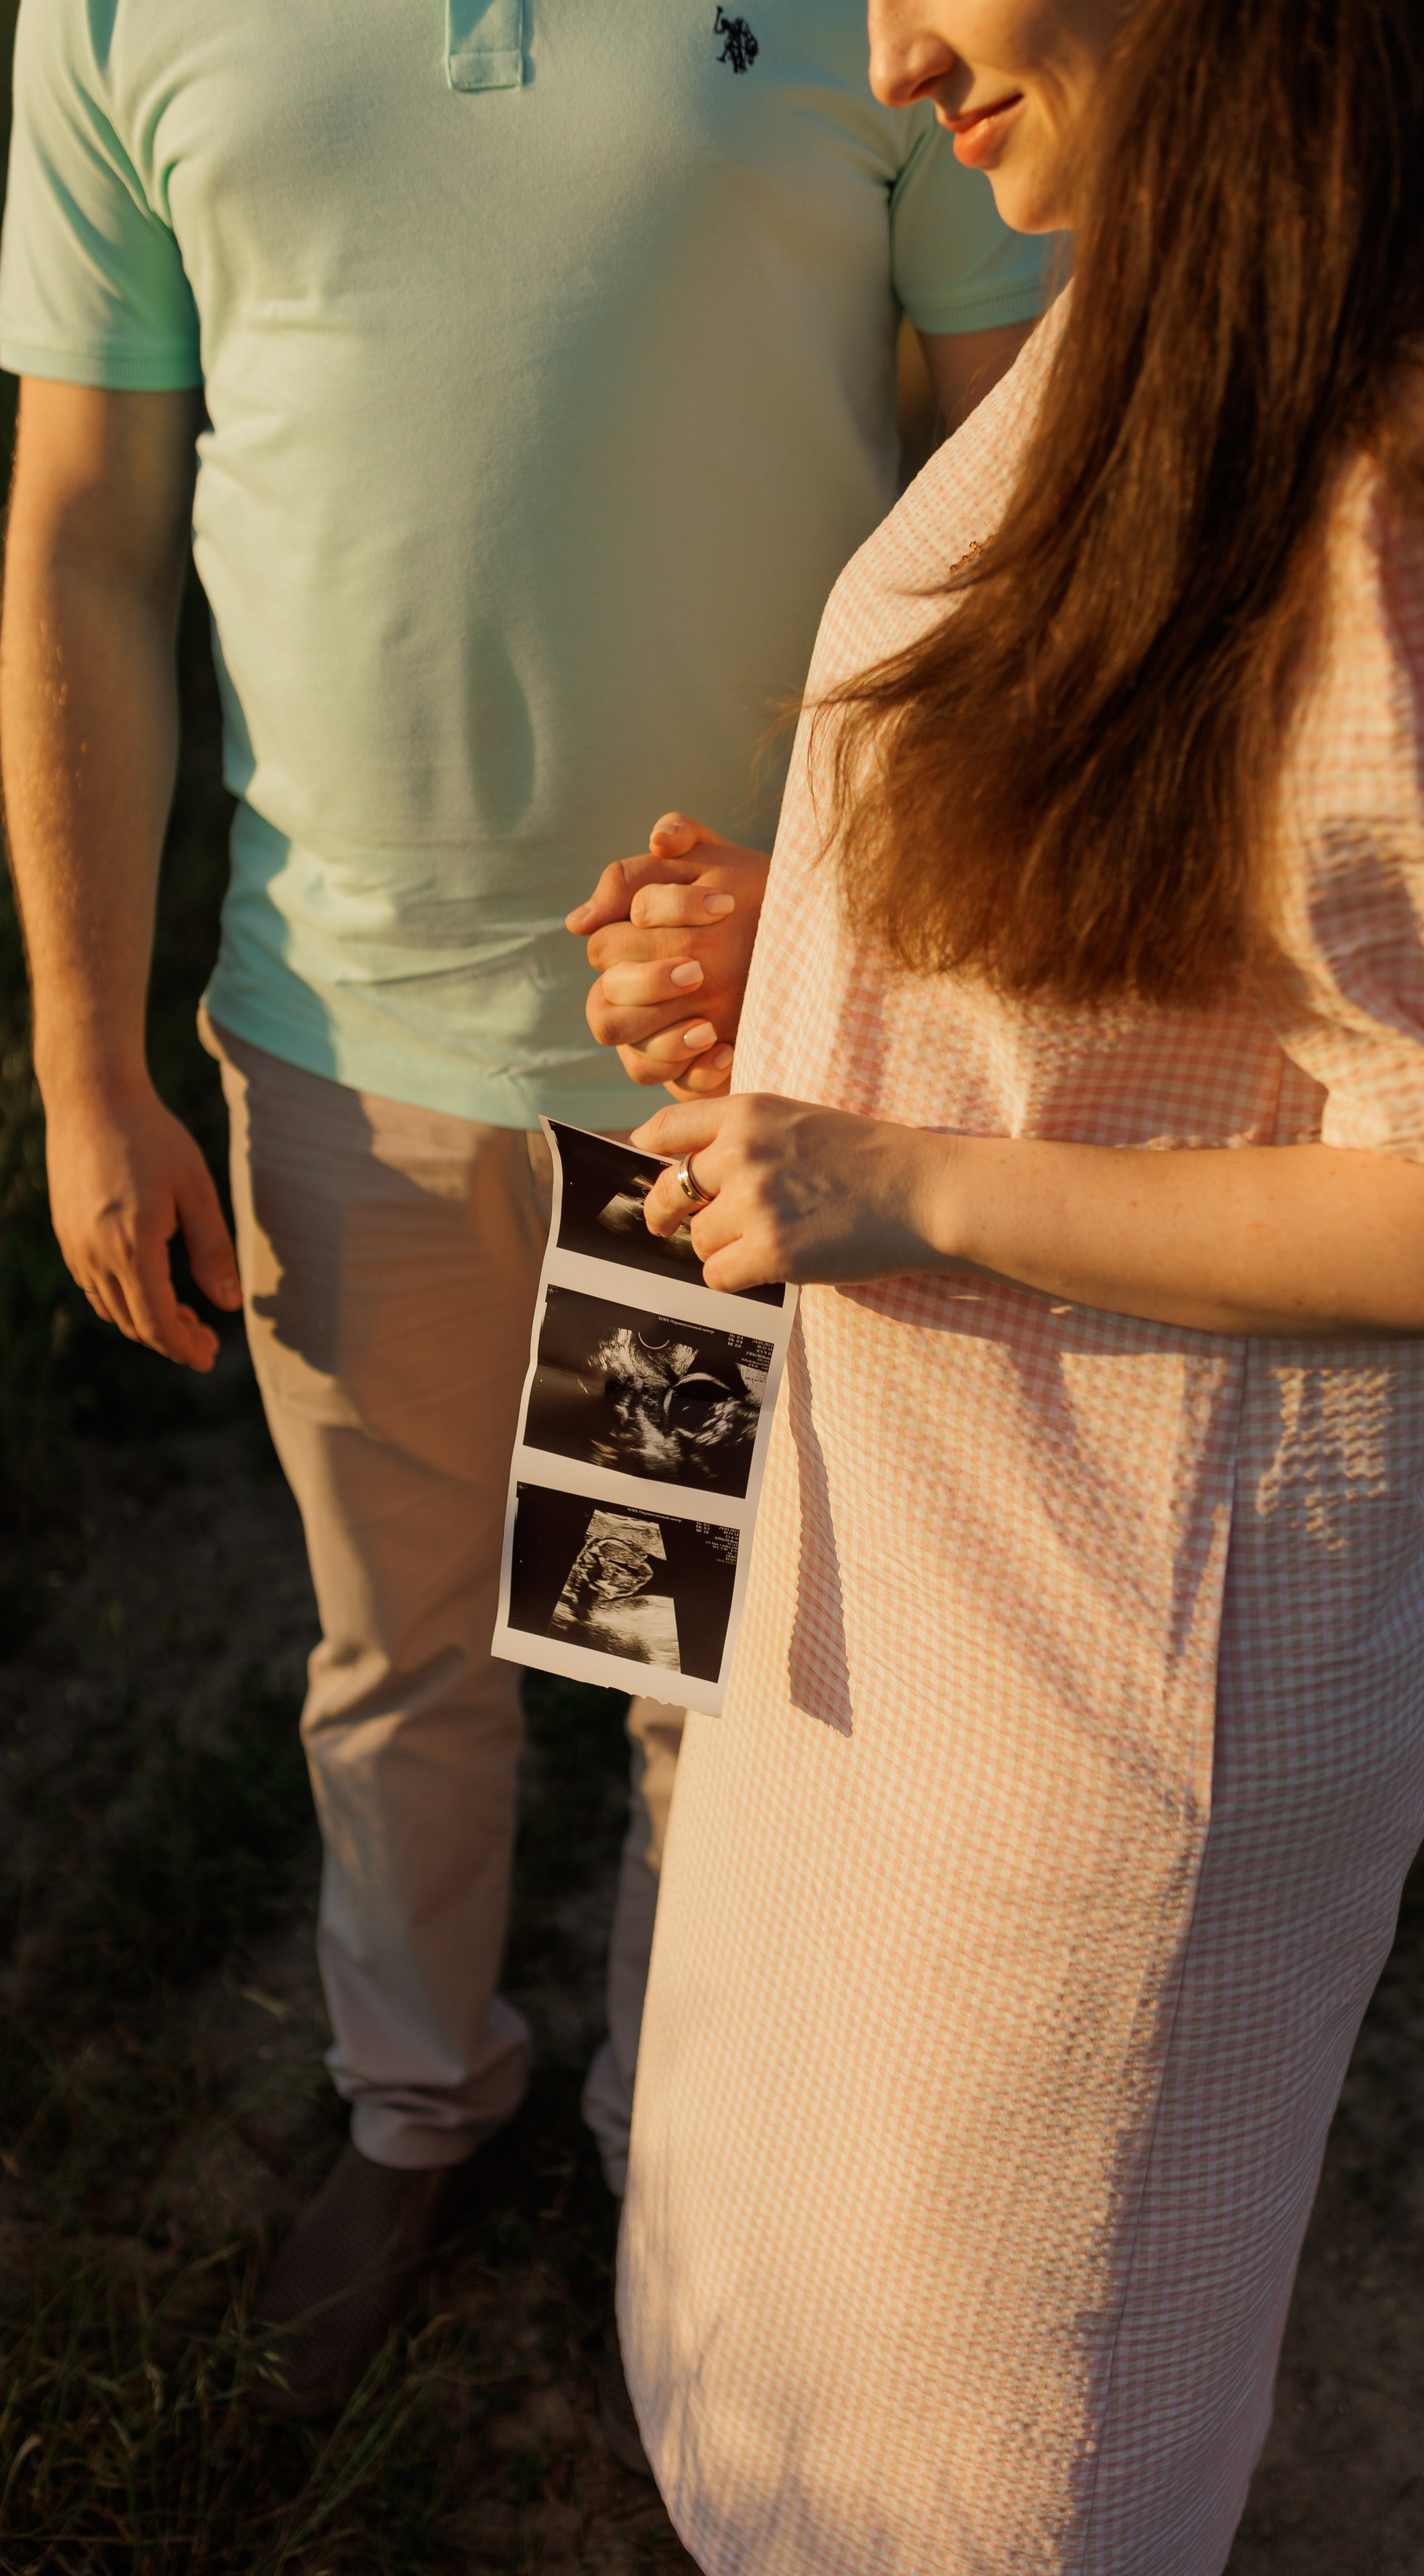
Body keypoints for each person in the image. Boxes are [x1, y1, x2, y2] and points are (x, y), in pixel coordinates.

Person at [576, 0, 1424, 2564]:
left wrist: (897, 1175)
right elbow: (1195, 912)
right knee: (819, 2356)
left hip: (1109, 1683)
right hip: (921, 1587)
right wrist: (825, 939)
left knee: (998, 2441)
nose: (886, 57)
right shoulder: (1156, 292)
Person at [0, 0, 1049, 2422]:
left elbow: (1012, 477)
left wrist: (863, 917)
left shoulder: (894, 2)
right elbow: (82, 535)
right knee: (402, 1659)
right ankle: (416, 2108)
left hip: (728, 1071)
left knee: (697, 1672)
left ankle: (671, 2155)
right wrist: (83, 1063)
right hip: (337, 1049)